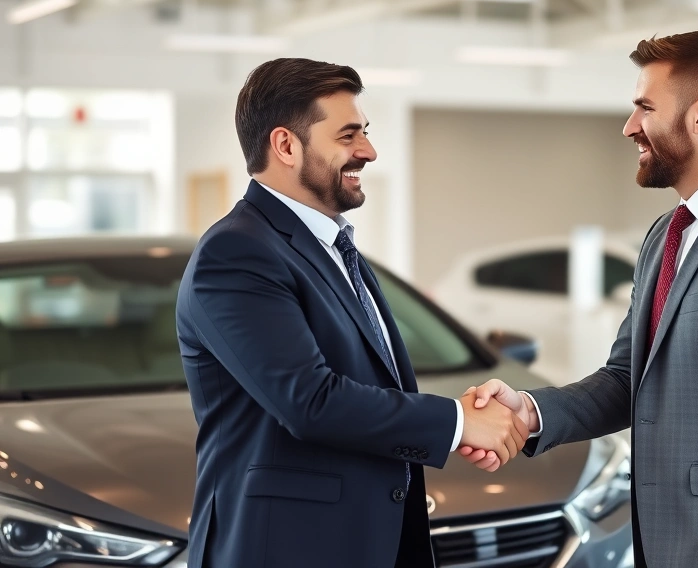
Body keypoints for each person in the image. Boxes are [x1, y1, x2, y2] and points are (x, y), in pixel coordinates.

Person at [461, 31, 698, 568]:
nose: (629, 126)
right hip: (667, 545)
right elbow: (625, 379)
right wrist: (529, 411)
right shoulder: (666, 233)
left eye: (645, 106)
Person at [176, 58, 529, 568]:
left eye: (365, 131)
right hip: (288, 550)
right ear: (286, 145)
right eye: (348, 135)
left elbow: (373, 383)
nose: (368, 150)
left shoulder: (334, 246)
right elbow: (309, 399)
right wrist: (456, 422)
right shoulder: (235, 254)